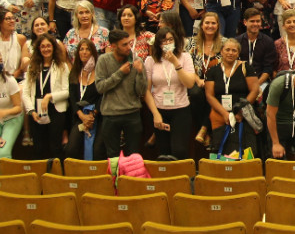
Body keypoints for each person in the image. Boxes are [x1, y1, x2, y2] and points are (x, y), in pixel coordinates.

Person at [144, 26, 198, 159]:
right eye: (164, 41)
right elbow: (146, 90)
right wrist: (156, 114)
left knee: (179, 150)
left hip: (180, 109)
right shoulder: (150, 61)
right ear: (158, 43)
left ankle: (183, 179)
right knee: (164, 152)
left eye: (170, 40)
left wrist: (175, 63)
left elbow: (190, 83)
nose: (167, 43)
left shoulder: (184, 57)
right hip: (160, 109)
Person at [95, 28, 148, 156]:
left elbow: (141, 91)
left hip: (132, 113)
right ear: (113, 46)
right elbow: (100, 87)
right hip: (111, 114)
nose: (128, 47)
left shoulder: (137, 61)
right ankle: (114, 177)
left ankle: (131, 177)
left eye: (129, 43)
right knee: (112, 154)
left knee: (134, 155)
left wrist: (140, 73)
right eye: (124, 45)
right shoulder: (103, 60)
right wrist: (119, 73)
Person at [205, 38, 260, 157]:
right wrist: (225, 114)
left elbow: (254, 90)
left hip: (243, 114)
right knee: (222, 149)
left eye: (234, 50)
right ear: (221, 51)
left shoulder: (246, 67)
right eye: (227, 50)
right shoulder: (213, 71)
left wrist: (241, 111)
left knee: (245, 151)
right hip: (220, 115)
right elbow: (209, 95)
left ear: (238, 53)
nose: (230, 53)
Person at [22, 33, 70, 160]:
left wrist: (49, 96)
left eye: (49, 46)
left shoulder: (61, 66)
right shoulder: (32, 66)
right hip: (36, 112)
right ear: (38, 49)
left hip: (56, 110)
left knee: (55, 147)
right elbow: (26, 93)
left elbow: (67, 91)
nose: (46, 49)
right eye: (43, 46)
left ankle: (58, 177)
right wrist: (31, 111)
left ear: (54, 47)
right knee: (38, 148)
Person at [187, 11, 225, 147]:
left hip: (217, 81)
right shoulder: (191, 42)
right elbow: (187, 65)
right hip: (196, 79)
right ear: (201, 25)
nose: (210, 26)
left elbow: (229, 65)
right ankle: (204, 130)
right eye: (207, 23)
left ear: (217, 25)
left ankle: (204, 129)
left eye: (213, 23)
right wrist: (198, 80)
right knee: (196, 94)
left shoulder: (224, 43)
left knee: (215, 94)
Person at [67, 40, 101, 161]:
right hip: (79, 116)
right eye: (81, 49)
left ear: (93, 53)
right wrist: (82, 116)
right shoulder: (74, 72)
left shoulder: (99, 72)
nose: (84, 52)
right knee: (71, 149)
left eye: (88, 49)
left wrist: (92, 115)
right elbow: (72, 98)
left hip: (97, 116)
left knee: (97, 150)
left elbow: (102, 96)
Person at [237, 8, 279, 97]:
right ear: (245, 22)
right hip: (240, 81)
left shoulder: (268, 42)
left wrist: (256, 84)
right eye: (252, 21)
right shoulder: (237, 42)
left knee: (264, 96)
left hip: (261, 81)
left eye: (258, 21)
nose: (255, 24)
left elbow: (268, 68)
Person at [0, 7, 29, 80]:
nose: (12, 21)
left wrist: (17, 73)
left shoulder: (21, 38)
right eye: (8, 19)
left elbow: (24, 62)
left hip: (16, 78)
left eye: (13, 18)